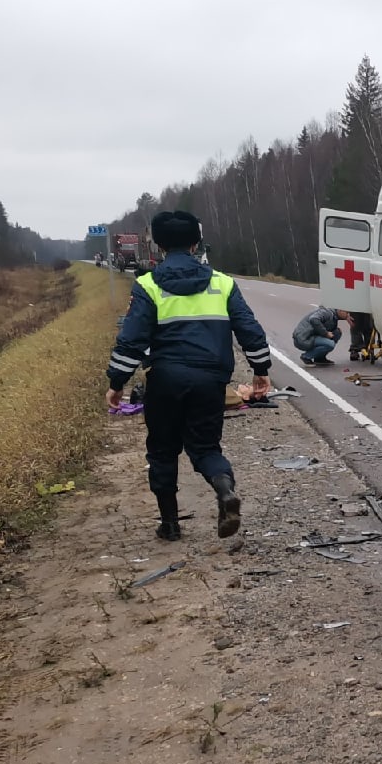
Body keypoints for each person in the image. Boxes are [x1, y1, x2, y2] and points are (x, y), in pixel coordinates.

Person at [104, 210, 272, 541]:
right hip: (210, 381)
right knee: (206, 447)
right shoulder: (223, 284)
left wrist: (117, 382)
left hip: (165, 380)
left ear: (158, 245)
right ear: (196, 243)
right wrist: (260, 369)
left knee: (163, 451)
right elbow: (249, 329)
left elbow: (132, 339)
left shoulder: (148, 286)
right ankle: (224, 492)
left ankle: (169, 525)